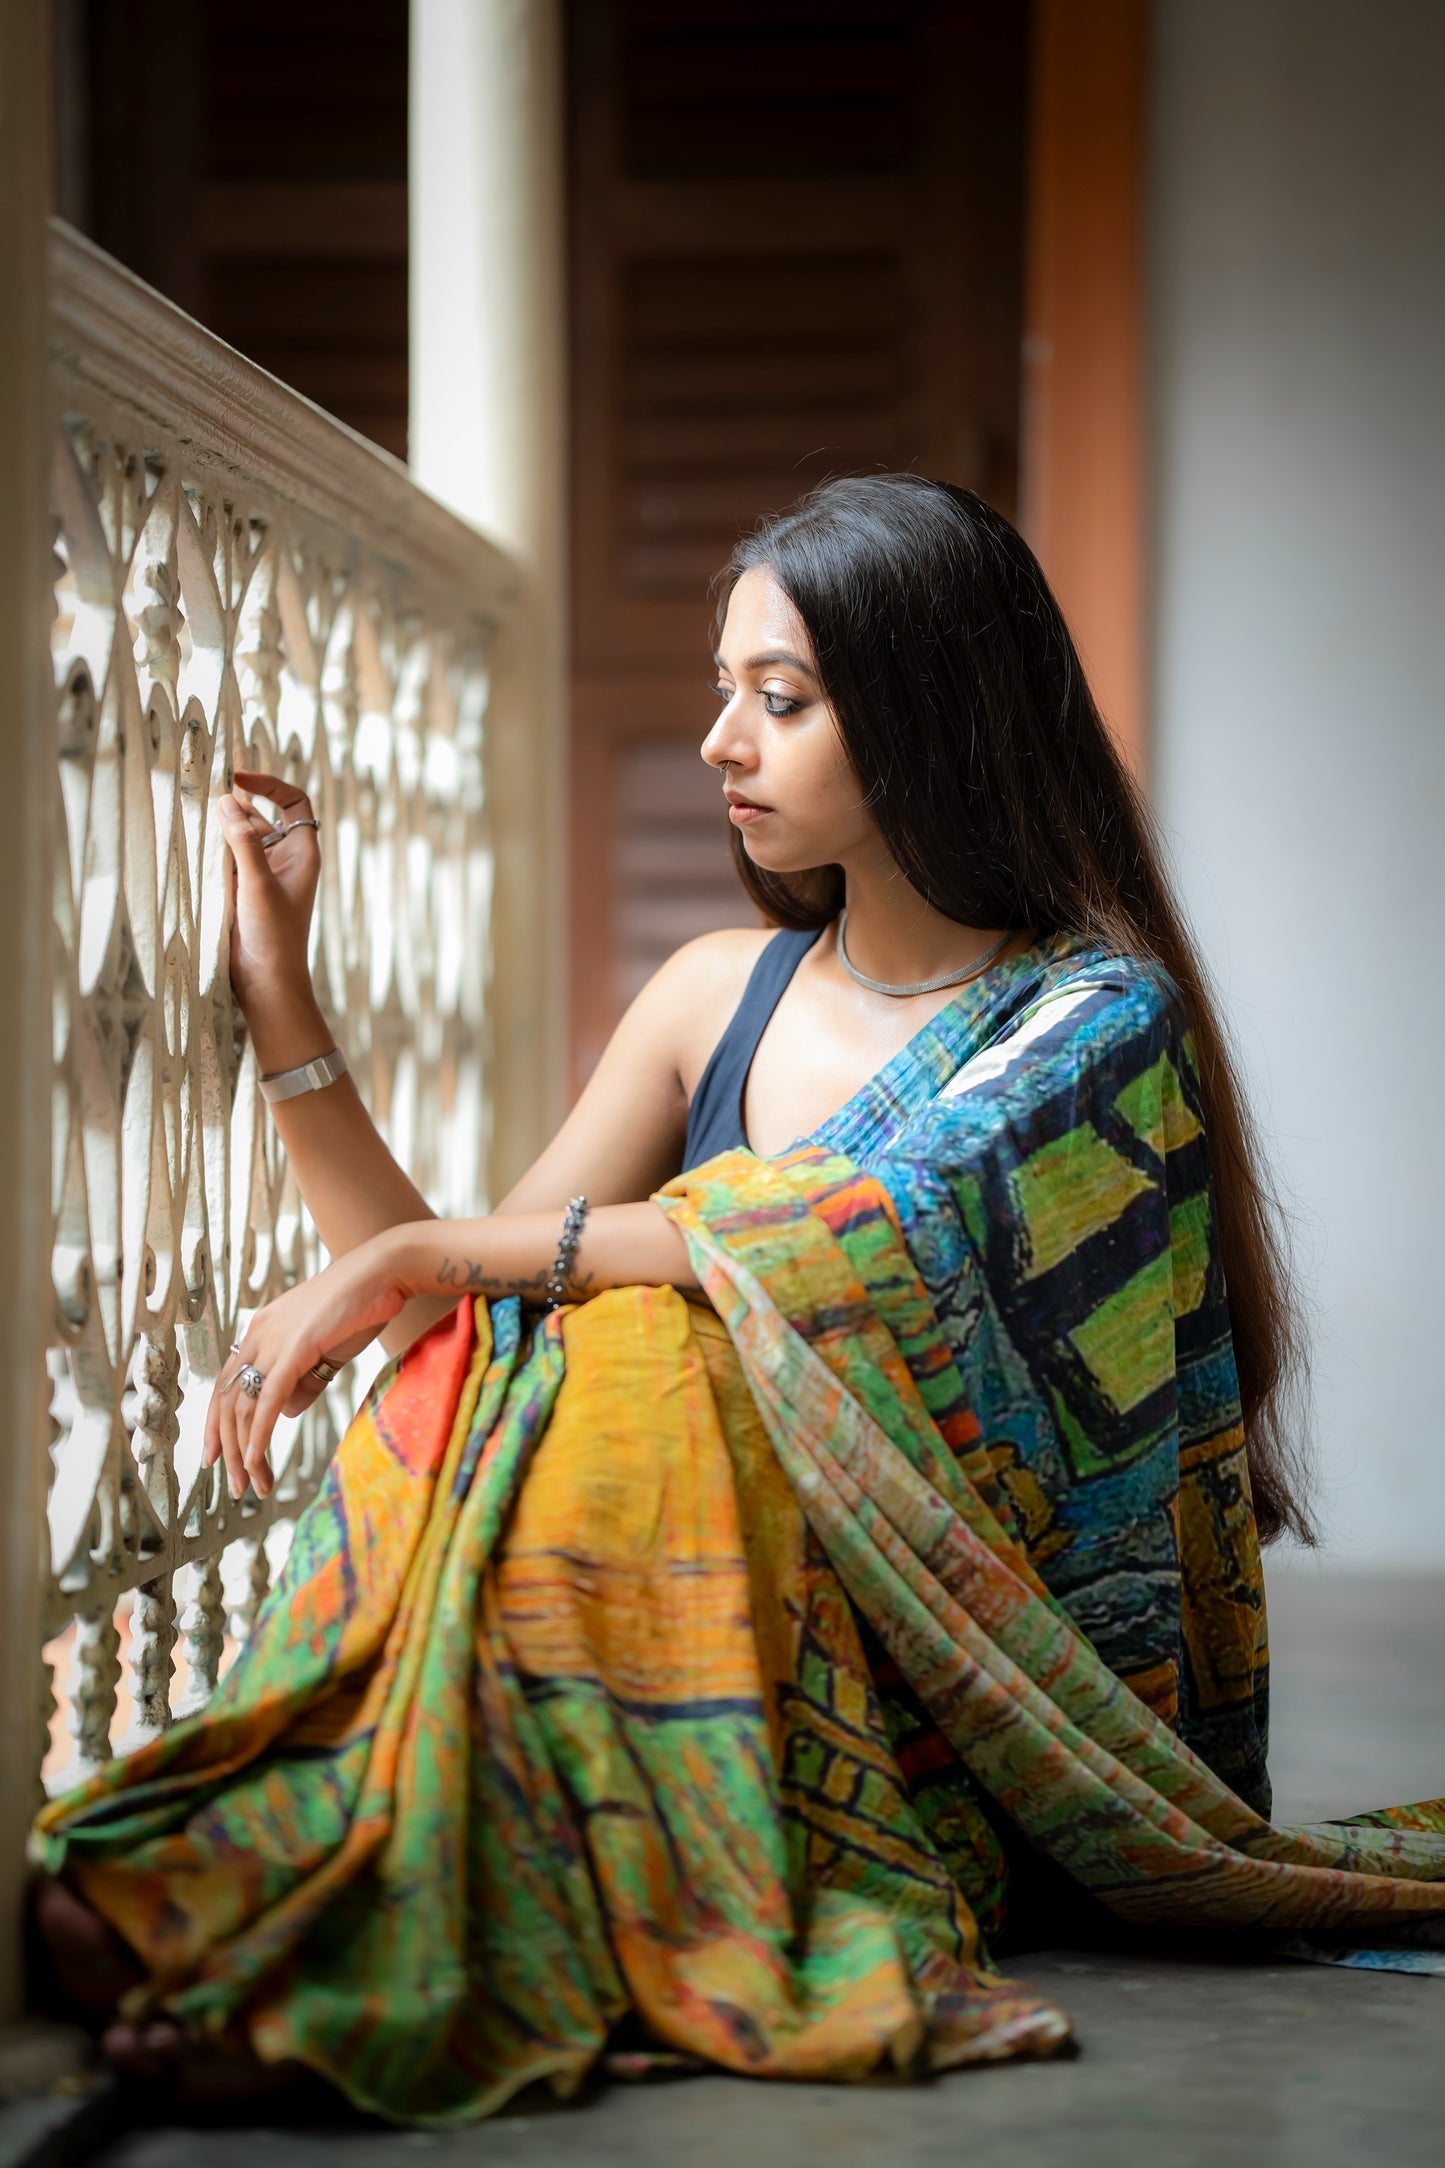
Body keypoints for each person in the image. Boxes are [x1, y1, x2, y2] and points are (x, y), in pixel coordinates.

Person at [33, 476, 1444, 2125]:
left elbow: (855, 1231)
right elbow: (460, 1295)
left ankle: (395, 1960)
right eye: (722, 692)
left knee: (654, 1340)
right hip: (648, 1610)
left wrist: (440, 1262)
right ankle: (342, 1893)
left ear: (932, 712)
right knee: (570, 1352)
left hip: (916, 1689)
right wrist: (282, 990)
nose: (719, 742)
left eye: (777, 700)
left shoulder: (1092, 1024)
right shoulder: (716, 991)